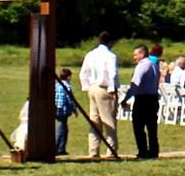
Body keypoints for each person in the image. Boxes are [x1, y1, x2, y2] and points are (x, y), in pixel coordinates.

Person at [79, 31, 119, 160]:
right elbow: (112, 73)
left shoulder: (90, 54)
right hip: (104, 88)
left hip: (92, 88)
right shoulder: (110, 56)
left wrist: (86, 86)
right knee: (108, 120)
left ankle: (93, 150)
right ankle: (111, 150)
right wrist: (112, 88)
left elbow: (83, 73)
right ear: (110, 42)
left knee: (94, 121)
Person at [127, 42, 162, 160]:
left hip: (142, 99)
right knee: (152, 127)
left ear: (142, 54)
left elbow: (135, 83)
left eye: (136, 54)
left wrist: (126, 98)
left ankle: (142, 150)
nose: (134, 57)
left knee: (139, 126)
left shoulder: (142, 66)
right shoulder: (154, 65)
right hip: (153, 97)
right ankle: (154, 151)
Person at [53, 68, 78, 156]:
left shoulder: (57, 85)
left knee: (64, 128)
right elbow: (70, 99)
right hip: (63, 109)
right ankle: (57, 148)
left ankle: (61, 148)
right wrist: (74, 108)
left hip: (56, 108)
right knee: (61, 128)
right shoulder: (67, 86)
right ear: (68, 77)